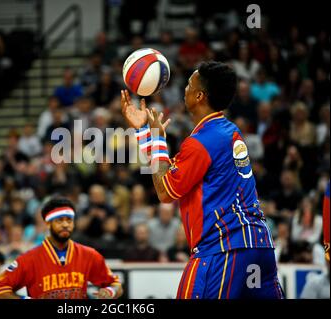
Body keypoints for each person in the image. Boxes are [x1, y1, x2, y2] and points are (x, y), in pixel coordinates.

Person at [121, 61, 284, 299]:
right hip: (259, 246)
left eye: (188, 84)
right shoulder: (227, 131)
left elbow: (165, 192)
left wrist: (156, 139)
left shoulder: (201, 142)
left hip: (223, 248)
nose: (184, 89)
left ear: (199, 96)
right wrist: (145, 134)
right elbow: (169, 172)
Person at [0, 197, 123, 299]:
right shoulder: (29, 259)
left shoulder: (89, 255)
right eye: (59, 220)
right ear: (48, 224)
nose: (65, 224)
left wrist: (110, 291)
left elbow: (116, 285)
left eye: (69, 220)